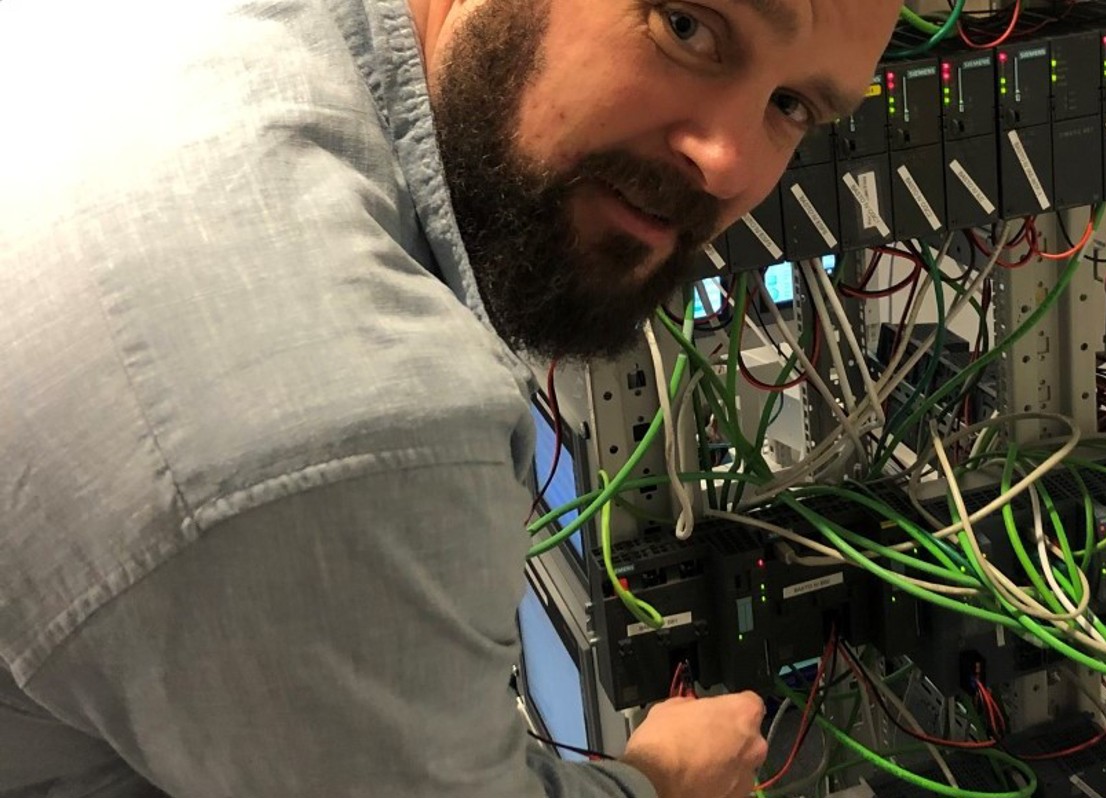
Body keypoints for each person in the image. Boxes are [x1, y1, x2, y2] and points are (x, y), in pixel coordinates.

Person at [0, 0, 899, 796]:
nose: (727, 163)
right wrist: (664, 781)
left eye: (792, 106)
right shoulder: (359, 429)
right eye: (687, 26)